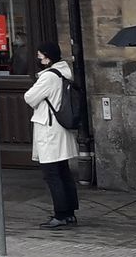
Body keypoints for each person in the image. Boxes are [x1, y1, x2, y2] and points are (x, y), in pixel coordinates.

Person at [24, 42, 78, 229]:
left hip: (50, 129)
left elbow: (29, 97)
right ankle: (69, 212)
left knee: (52, 173)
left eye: (40, 56)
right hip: (60, 128)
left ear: (48, 58)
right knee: (63, 171)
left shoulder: (48, 76)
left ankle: (61, 214)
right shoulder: (63, 72)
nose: (38, 59)